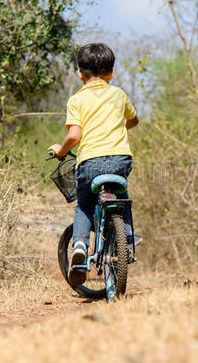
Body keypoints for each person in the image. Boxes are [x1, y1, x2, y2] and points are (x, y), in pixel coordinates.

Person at [48, 43, 140, 287]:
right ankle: (128, 236)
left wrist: (60, 151)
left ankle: (79, 246)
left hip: (90, 162)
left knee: (85, 206)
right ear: (111, 73)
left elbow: (74, 135)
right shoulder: (119, 94)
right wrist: (120, 127)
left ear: (80, 73)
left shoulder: (77, 99)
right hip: (121, 160)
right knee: (121, 197)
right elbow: (133, 120)